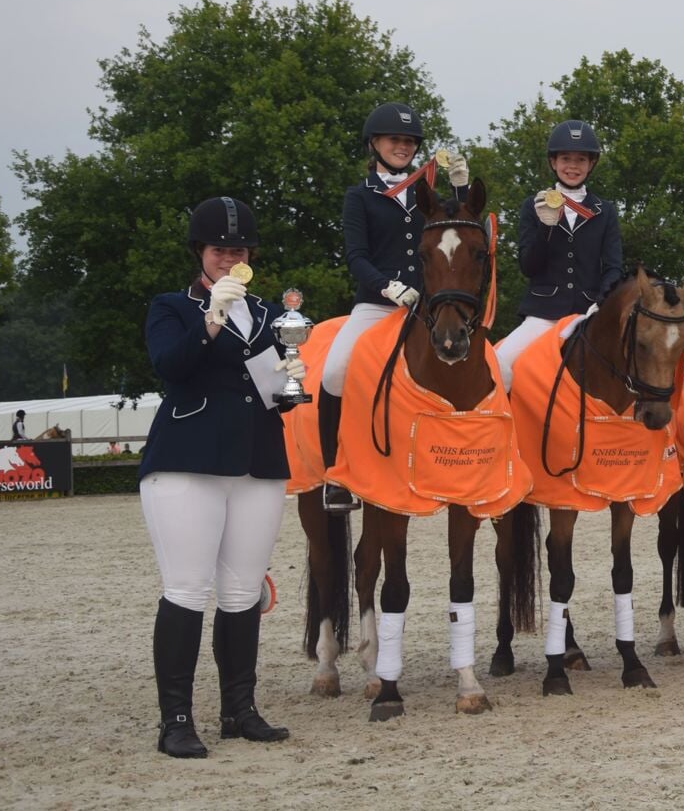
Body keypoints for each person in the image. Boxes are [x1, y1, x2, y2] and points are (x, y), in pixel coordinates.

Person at [140, 197, 300, 758]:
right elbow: (170, 367)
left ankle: (240, 709)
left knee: (240, 593)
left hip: (258, 461)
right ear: (201, 254)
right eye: (219, 250)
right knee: (187, 588)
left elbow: (275, 397)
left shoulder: (269, 314)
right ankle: (176, 719)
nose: (229, 259)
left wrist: (290, 379)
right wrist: (210, 318)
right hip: (189, 459)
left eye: (238, 251)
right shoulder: (171, 306)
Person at [315, 103, 469, 512]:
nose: (402, 147)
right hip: (377, 305)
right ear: (375, 144)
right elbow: (356, 256)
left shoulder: (426, 194)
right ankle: (336, 475)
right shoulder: (359, 196)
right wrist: (387, 287)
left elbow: (457, 230)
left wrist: (460, 191)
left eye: (408, 141)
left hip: (427, 308)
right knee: (334, 371)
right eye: (394, 140)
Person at [494, 120, 623, 390]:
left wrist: (602, 303)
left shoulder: (605, 211)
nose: (573, 166)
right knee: (498, 363)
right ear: (553, 162)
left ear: (591, 164)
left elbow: (613, 266)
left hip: (588, 313)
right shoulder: (533, 205)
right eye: (565, 158)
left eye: (580, 159)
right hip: (543, 314)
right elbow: (528, 267)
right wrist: (546, 228)